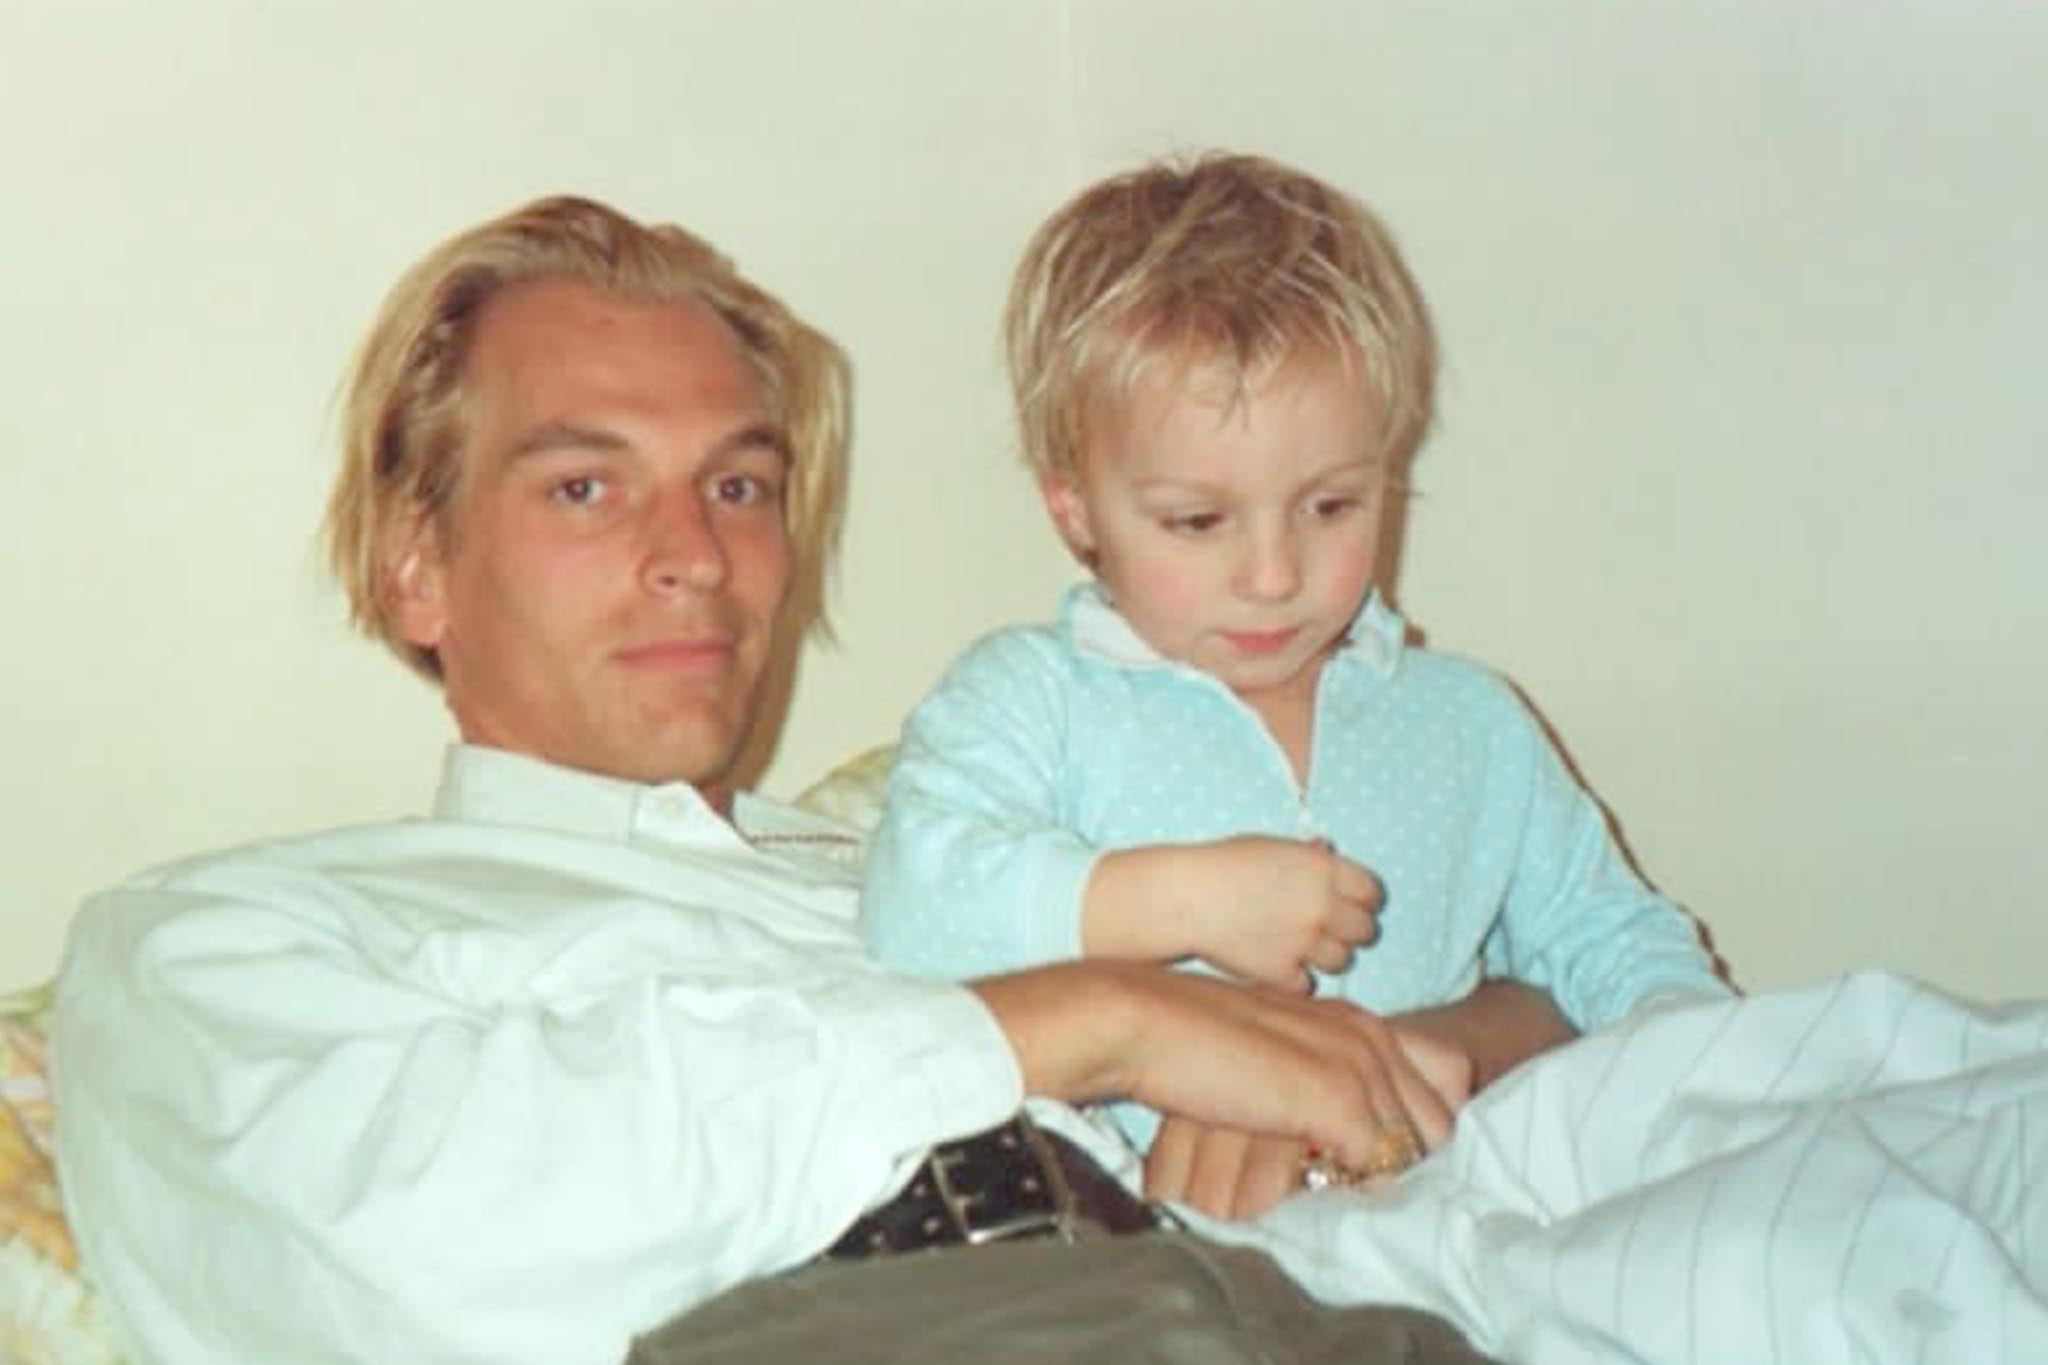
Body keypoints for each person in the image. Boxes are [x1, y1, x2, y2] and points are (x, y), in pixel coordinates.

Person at [51, 193, 1565, 1365]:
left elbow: (1562, 1002)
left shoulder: (941, 840)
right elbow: (406, 1248)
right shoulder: (221, 938)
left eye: (740, 485)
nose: (695, 554)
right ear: (417, 565)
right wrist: (1099, 1025)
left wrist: (1373, 1062)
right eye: (586, 485)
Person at [860, 152, 1731, 1193]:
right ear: (1074, 510)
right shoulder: (1030, 697)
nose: (1273, 576)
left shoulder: (1469, 720)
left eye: (1330, 507)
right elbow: (912, 908)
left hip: (1452, 1215)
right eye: (1197, 521)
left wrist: (1713, 1080)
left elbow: (1608, 938)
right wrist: (1178, 900)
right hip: (1155, 1242)